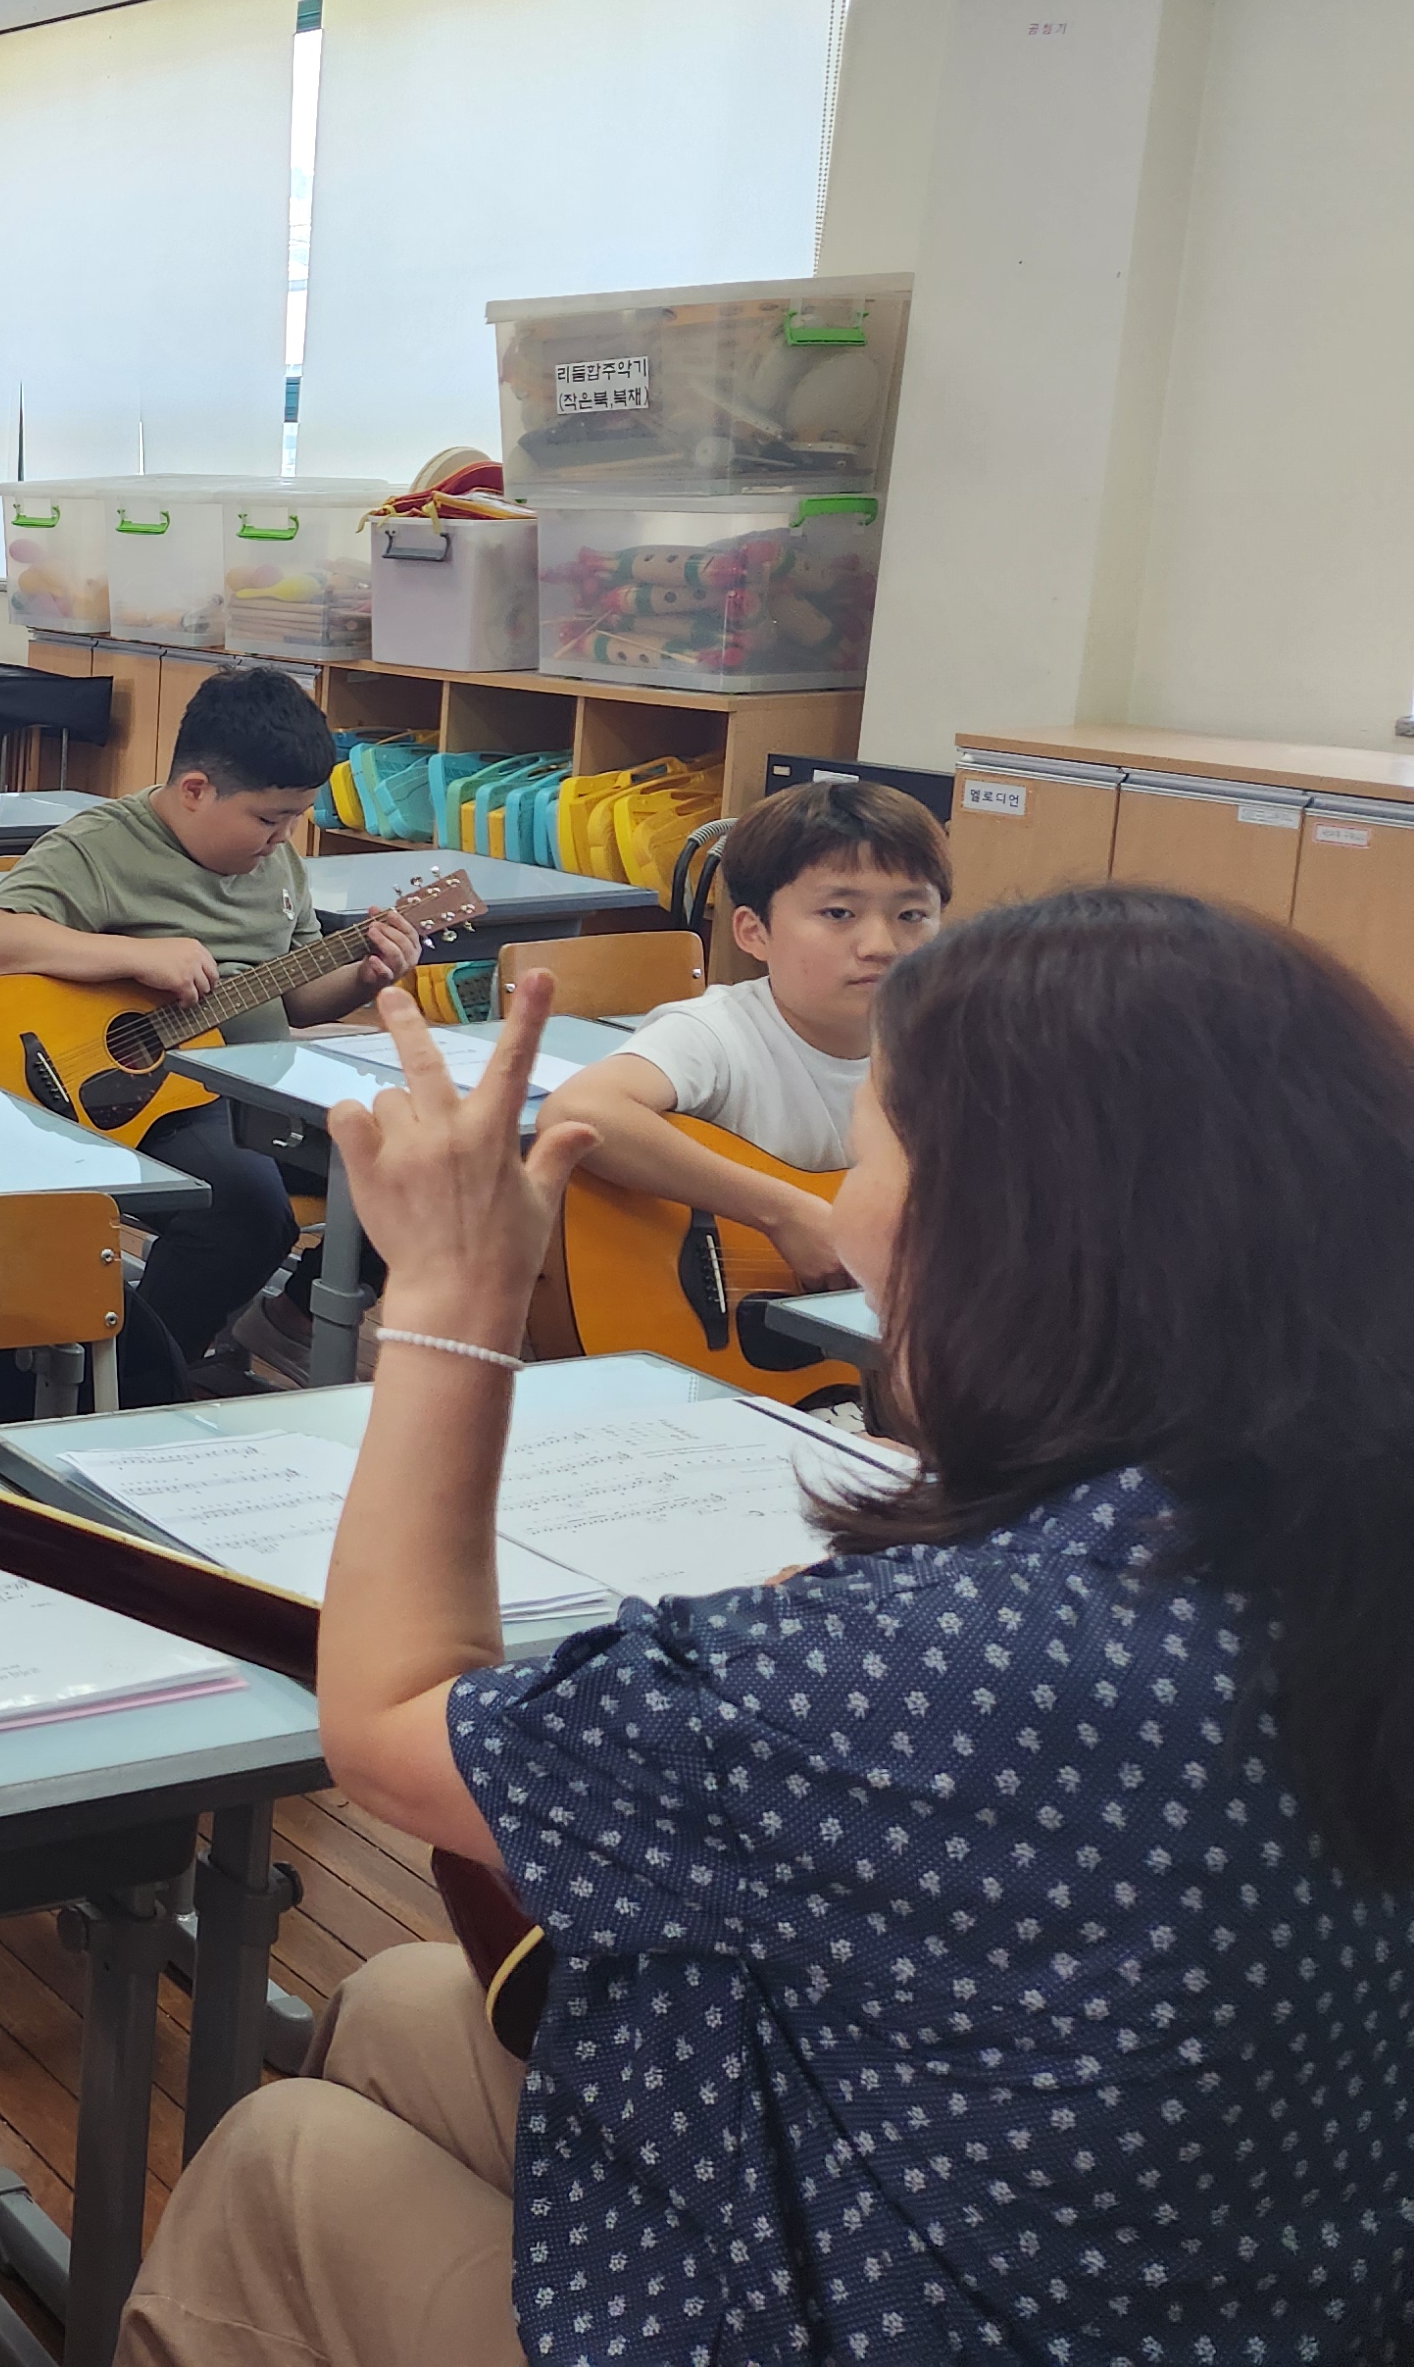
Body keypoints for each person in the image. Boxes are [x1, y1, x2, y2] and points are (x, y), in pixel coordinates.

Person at [120, 895, 1414, 2367]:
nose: (843, 1218)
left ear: (1005, 1237)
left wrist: (456, 1297)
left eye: (869, 1161)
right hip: (1264, 2282)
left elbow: (392, 1722)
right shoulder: (1297, 1536)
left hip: (930, 2317)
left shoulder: (927, 1666)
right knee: (412, 2003)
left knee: (282, 2159)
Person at [0, 665, 417, 1400]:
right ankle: (132, 1393)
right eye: (268, 819)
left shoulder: (277, 863)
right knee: (244, 1208)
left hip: (261, 1089)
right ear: (196, 789)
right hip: (148, 1095)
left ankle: (290, 1319)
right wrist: (137, 956)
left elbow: (297, 999)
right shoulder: (100, 845)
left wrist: (366, 976)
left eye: (295, 818)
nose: (283, 837)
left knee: (425, 1156)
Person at [539, 777, 947, 1284]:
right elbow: (576, 1113)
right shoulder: (718, 1033)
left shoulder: (955, 1056)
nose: (881, 945)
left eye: (912, 914)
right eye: (839, 913)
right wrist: (783, 1214)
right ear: (754, 932)